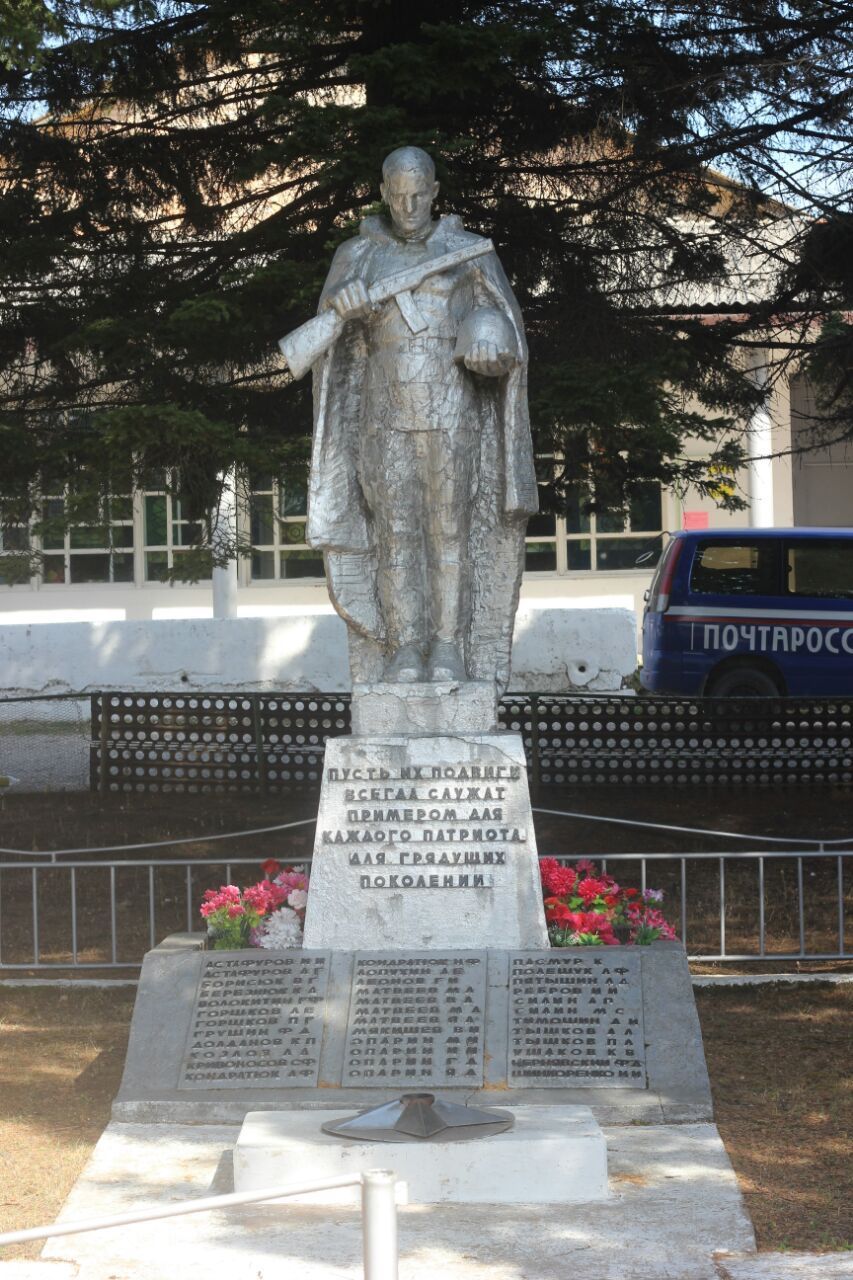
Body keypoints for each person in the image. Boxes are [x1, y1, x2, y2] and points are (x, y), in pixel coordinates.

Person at [303, 146, 537, 689]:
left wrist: (491, 342)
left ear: (434, 192)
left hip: (452, 412)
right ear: (385, 193)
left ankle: (449, 647)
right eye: (399, 196)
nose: (409, 207)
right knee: (396, 534)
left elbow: (504, 323)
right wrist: (342, 307)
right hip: (382, 415)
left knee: (449, 532)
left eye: (419, 195)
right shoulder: (358, 255)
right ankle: (405, 647)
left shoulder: (466, 250)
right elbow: (328, 349)